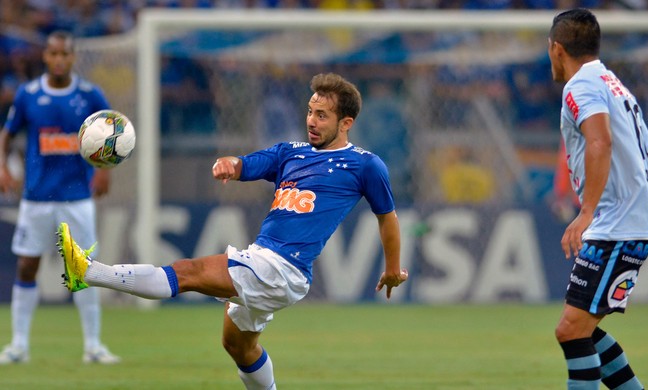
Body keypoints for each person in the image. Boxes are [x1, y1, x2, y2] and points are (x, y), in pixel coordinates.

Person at [57, 72, 408, 389]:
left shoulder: (365, 164)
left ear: (345, 122)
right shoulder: (291, 152)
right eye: (310, 111)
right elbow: (250, 164)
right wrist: (230, 164)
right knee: (238, 346)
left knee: (187, 272)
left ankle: (88, 271)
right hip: (263, 258)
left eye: (322, 115)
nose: (311, 121)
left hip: (282, 268)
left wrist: (392, 268)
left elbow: (387, 217)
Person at [548, 9, 648, 390]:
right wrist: (627, 197)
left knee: (571, 330)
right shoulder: (615, 85)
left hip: (615, 227)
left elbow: (600, 141)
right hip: (624, 223)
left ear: (556, 49)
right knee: (582, 329)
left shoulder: (579, 86)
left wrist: (589, 211)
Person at [0, 30, 120, 365]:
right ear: (46, 56)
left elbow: (114, 133)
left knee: (83, 269)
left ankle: (93, 346)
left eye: (65, 54)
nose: (59, 59)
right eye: (53, 54)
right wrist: (2, 168)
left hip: (76, 196)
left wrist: (106, 169)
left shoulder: (89, 94)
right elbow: (7, 133)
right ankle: (19, 346)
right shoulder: (28, 94)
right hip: (36, 196)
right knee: (27, 266)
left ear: (73, 56)